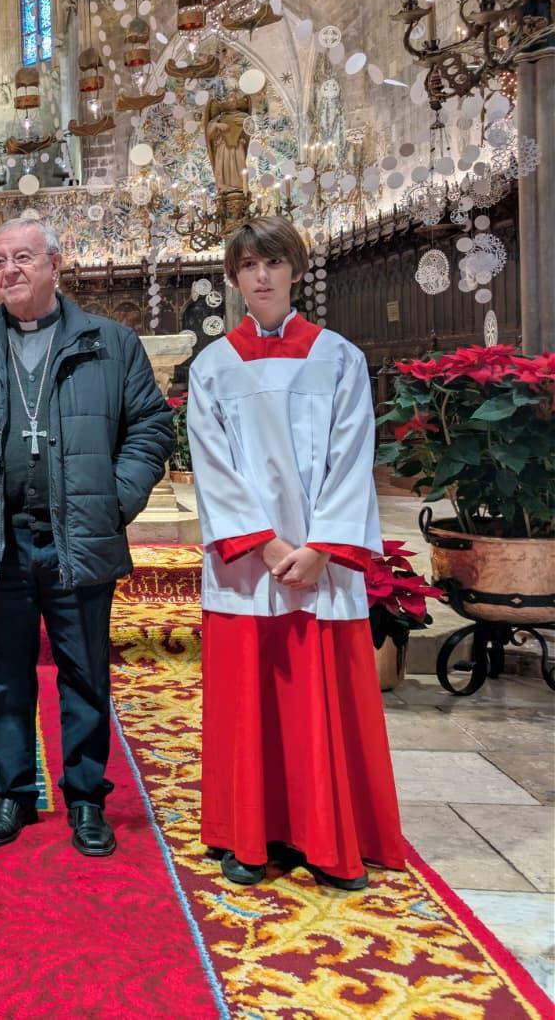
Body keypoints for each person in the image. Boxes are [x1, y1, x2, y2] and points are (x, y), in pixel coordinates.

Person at [0, 218, 173, 855]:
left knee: (84, 674)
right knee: (5, 675)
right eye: (0, 261)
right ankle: (11, 795)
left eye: (23, 258)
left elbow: (149, 428)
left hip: (79, 538)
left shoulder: (109, 343)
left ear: (55, 264)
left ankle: (87, 801)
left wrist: (116, 500)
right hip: (1, 540)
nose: (9, 270)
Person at [188, 214, 403, 891]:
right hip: (250, 564)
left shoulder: (337, 356)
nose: (261, 277)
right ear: (233, 278)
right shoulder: (213, 365)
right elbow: (212, 466)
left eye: (273, 264)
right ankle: (249, 838)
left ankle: (324, 832)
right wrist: (269, 544)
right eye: (248, 266)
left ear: (295, 270)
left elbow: (352, 456)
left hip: (320, 567)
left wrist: (319, 549)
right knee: (249, 701)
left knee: (319, 699)